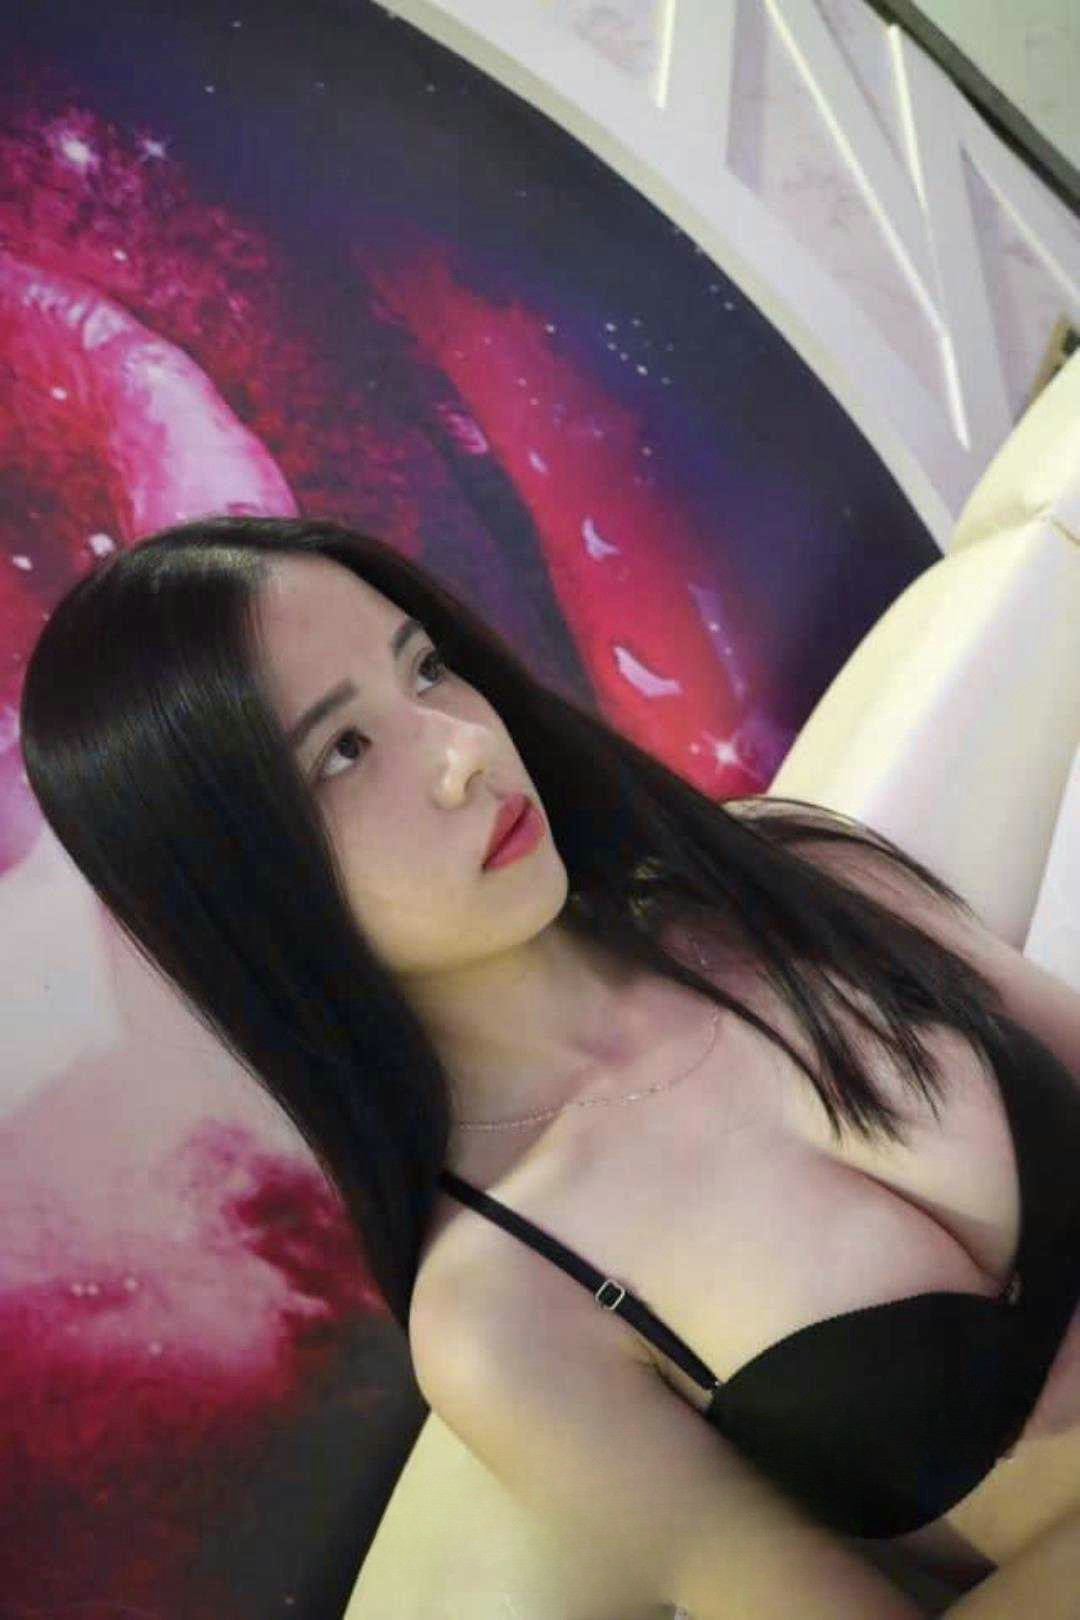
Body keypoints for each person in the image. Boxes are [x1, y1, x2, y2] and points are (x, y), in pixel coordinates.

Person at [19, 514, 1079, 1616]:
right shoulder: (500, 1310)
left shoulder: (775, 871)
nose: (462, 750)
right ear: (240, 891)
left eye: (426, 668)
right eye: (344, 750)